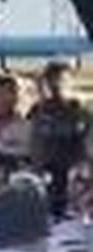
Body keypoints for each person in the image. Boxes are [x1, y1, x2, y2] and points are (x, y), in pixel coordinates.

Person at [28, 62, 90, 218]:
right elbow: (34, 139)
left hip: (72, 170)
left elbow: (86, 138)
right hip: (46, 168)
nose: (56, 85)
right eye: (51, 80)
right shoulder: (37, 110)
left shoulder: (78, 110)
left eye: (60, 80)